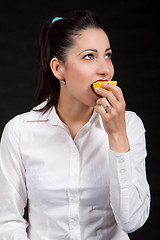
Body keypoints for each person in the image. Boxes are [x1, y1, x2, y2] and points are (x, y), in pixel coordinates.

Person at [0, 9, 150, 240]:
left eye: (108, 55)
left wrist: (118, 135)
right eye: (89, 56)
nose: (105, 69)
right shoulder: (19, 131)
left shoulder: (130, 125)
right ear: (58, 68)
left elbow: (131, 221)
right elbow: (8, 221)